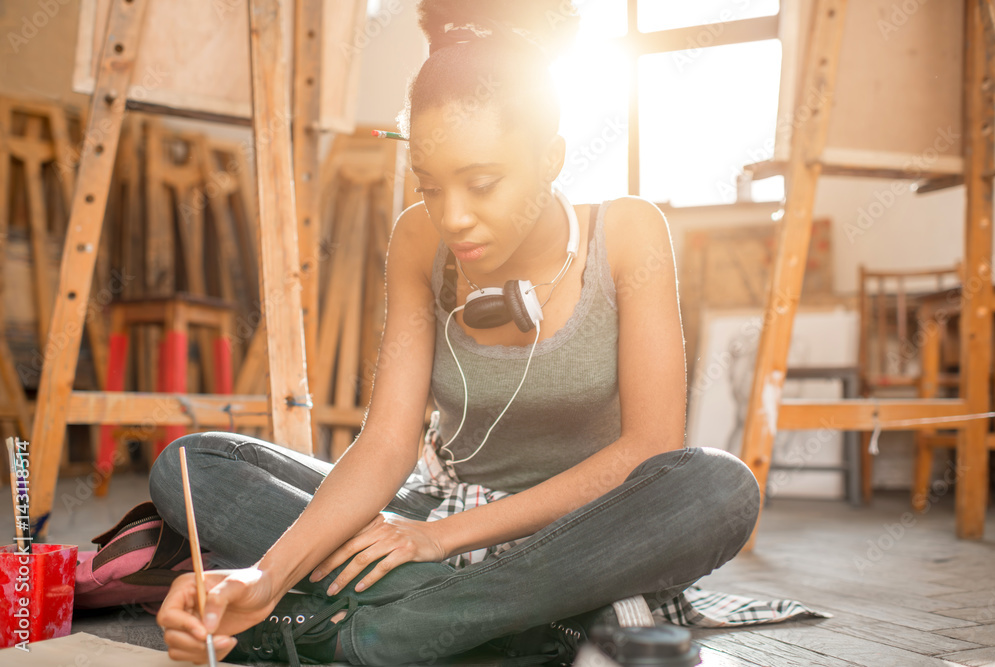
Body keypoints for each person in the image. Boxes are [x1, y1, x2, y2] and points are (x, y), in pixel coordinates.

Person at [151, 1, 761, 664]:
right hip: (437, 506)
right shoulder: (417, 238)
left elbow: (647, 447)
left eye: (481, 183)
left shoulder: (629, 233)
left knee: (722, 488)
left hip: (582, 531)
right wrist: (264, 577)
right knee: (190, 464)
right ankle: (501, 622)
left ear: (551, 157)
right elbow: (386, 444)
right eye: (431, 185)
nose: (453, 217)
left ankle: (385, 625)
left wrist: (441, 541)